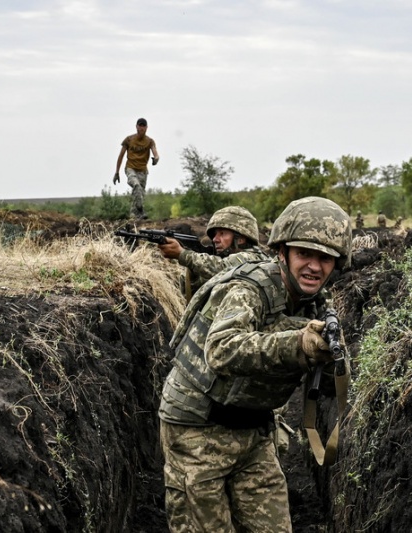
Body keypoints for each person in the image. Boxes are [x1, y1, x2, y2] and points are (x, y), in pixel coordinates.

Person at [158, 196, 352, 532]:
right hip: (196, 430)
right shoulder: (249, 289)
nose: (314, 267)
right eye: (304, 254)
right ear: (283, 252)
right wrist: (297, 343)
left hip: (253, 430)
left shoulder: (316, 303)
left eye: (325, 258)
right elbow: (220, 349)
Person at [157, 206, 269, 301]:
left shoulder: (253, 258)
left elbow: (223, 267)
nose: (215, 239)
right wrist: (193, 271)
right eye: (215, 234)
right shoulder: (224, 261)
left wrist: (183, 254)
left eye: (222, 233)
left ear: (240, 239)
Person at [113, 117, 159, 219]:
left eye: (143, 126)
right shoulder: (129, 140)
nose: (141, 128)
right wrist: (117, 172)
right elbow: (120, 156)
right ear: (136, 127)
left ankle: (134, 218)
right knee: (136, 186)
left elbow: (155, 152)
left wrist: (156, 159)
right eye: (140, 125)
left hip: (142, 171)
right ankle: (141, 210)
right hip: (130, 168)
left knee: (139, 195)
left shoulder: (150, 141)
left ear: (146, 128)